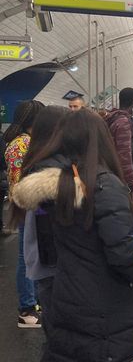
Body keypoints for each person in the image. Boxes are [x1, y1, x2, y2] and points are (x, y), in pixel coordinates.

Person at [11, 109, 133, 362]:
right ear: (101, 138)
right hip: (103, 300)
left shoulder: (59, 185)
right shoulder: (106, 185)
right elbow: (120, 251)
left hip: (66, 291)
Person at [17, 106, 70, 339]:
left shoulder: (34, 160)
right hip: (54, 262)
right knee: (61, 331)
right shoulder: (53, 169)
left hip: (42, 259)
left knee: (54, 328)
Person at [3, 99, 45, 328]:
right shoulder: (21, 144)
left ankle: (35, 302)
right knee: (26, 257)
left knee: (33, 256)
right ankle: (26, 309)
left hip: (30, 205)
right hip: (27, 205)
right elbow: (22, 181)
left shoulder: (25, 142)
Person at [105, 88, 133, 241]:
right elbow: (124, 158)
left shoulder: (112, 118)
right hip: (123, 183)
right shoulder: (124, 123)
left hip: (113, 179)